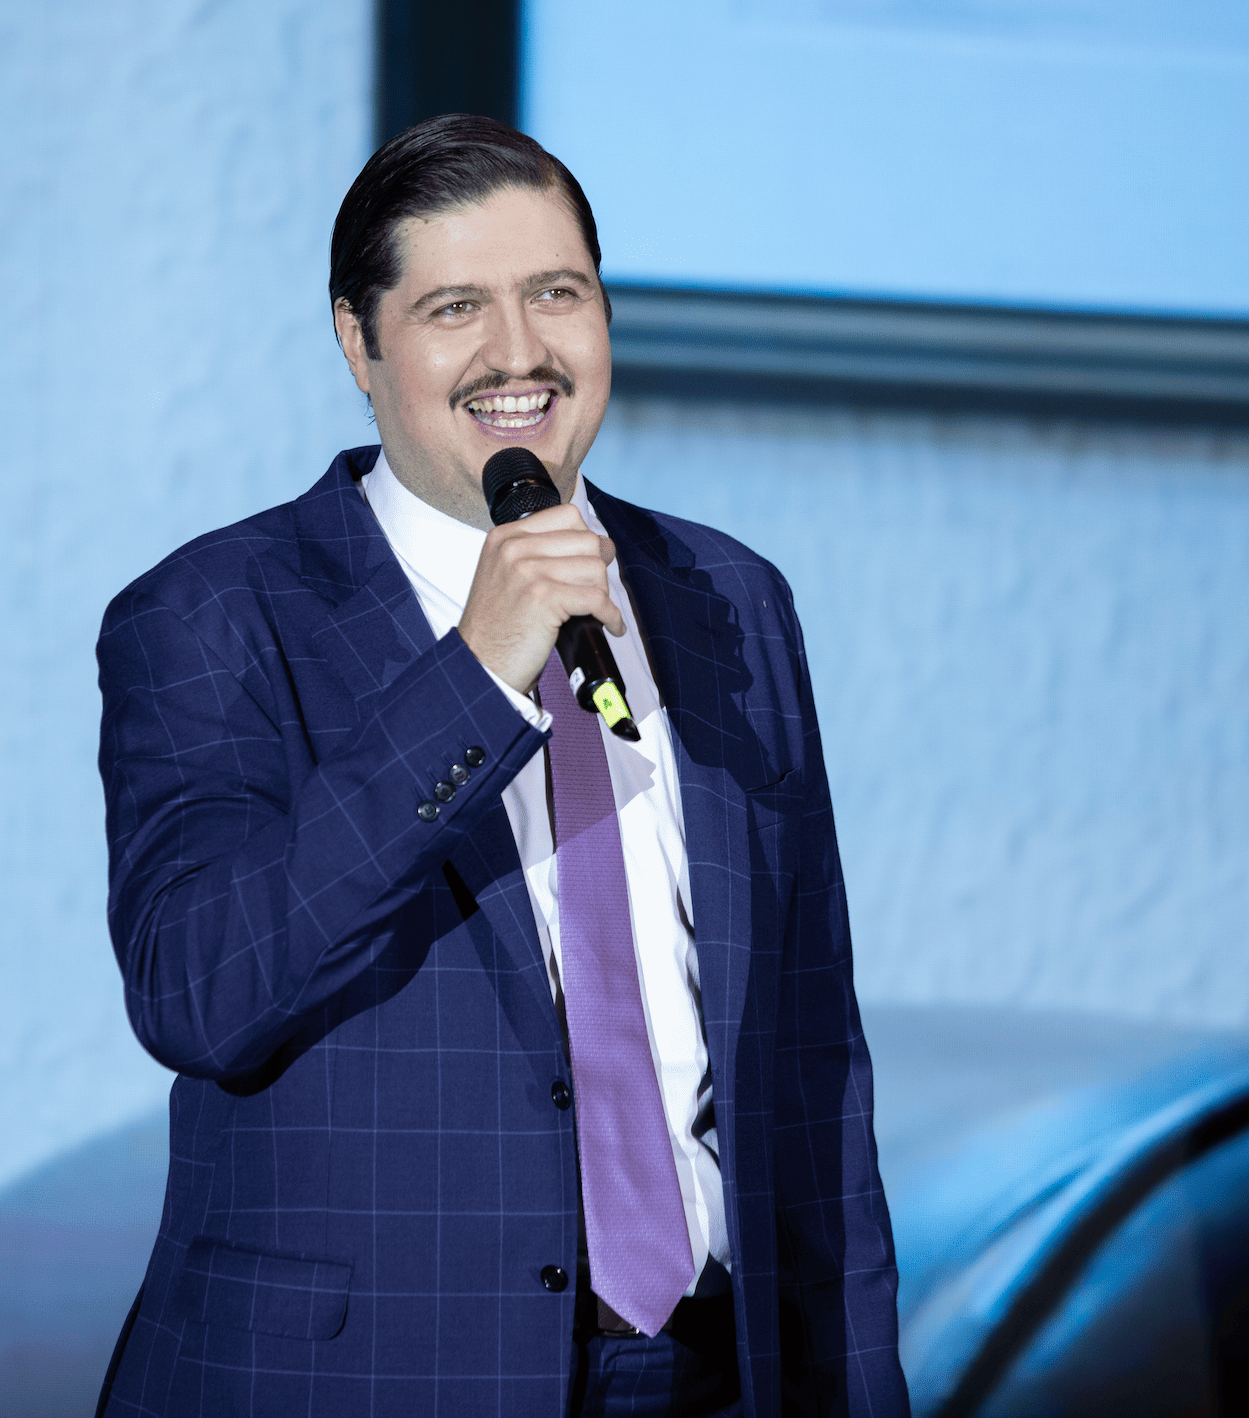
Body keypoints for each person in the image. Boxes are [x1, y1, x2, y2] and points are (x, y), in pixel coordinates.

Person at [96, 115, 906, 1417]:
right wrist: (475, 675)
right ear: (358, 342)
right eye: (455, 307)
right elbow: (200, 992)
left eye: (556, 294)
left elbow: (811, 1072)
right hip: (360, 1384)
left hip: (704, 1374)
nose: (518, 351)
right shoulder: (213, 613)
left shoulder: (729, 599)